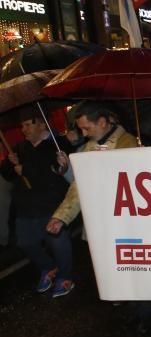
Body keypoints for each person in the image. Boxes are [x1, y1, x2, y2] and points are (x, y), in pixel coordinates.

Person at [47, 103, 139, 296]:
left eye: (86, 128)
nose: (83, 133)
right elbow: (78, 186)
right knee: (106, 263)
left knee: (130, 264)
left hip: (125, 221)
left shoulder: (128, 143)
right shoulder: (88, 149)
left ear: (103, 122)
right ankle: (117, 293)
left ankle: (139, 299)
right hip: (99, 221)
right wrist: (61, 216)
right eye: (81, 128)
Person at [0, 112, 73, 297]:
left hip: (51, 204)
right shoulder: (19, 147)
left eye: (27, 125)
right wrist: (10, 164)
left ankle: (65, 276)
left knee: (57, 243)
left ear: (42, 124)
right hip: (25, 206)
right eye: (22, 126)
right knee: (26, 243)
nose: (24, 130)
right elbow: (8, 174)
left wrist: (26, 170)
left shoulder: (58, 145)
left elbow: (57, 174)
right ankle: (48, 268)